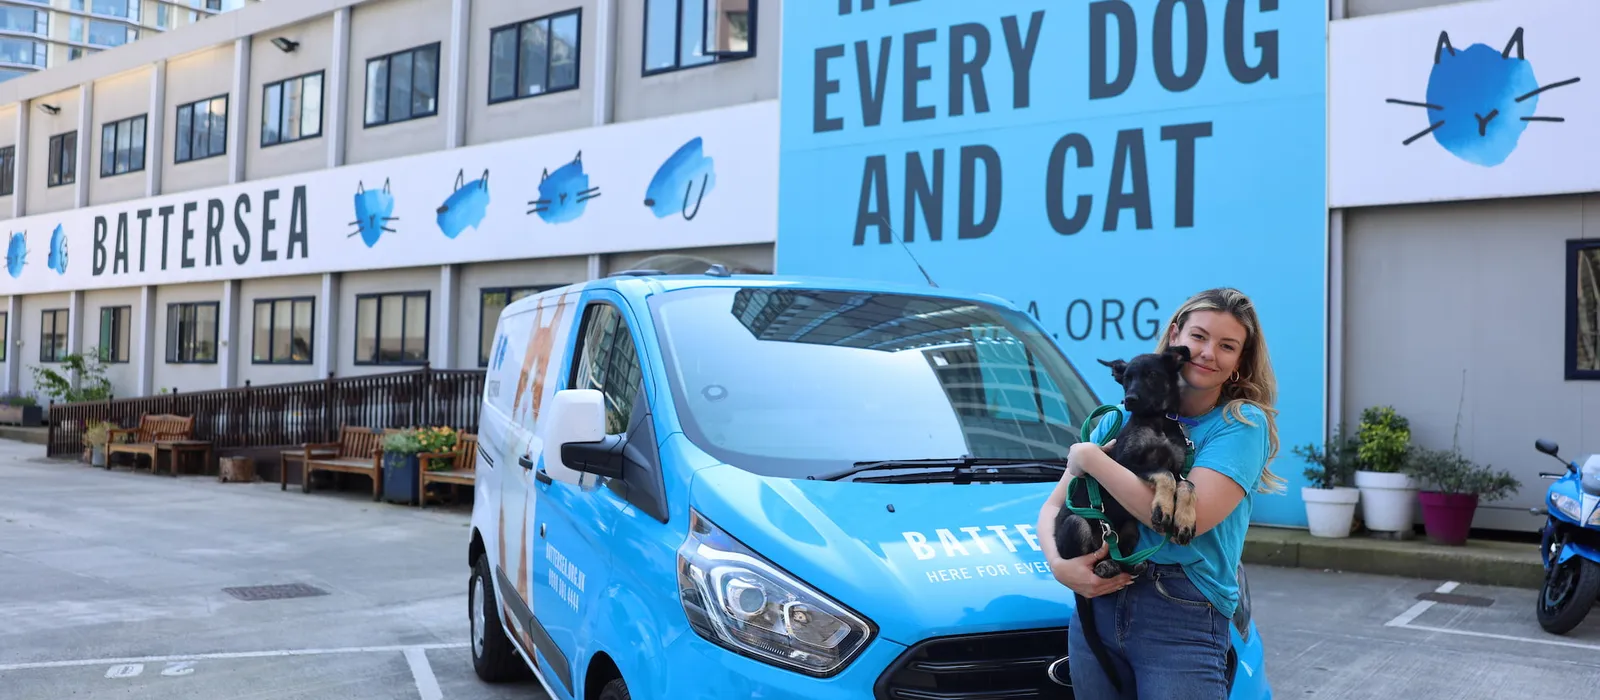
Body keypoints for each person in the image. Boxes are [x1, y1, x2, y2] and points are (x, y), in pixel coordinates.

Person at [1035, 287, 1286, 699]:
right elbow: (1054, 506)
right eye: (1199, 337)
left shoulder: (1240, 423)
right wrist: (1060, 566)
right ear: (1175, 337)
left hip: (1181, 611)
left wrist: (1091, 458)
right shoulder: (1117, 419)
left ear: (1239, 362)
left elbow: (1188, 520)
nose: (1208, 353)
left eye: (1227, 346)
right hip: (1097, 599)